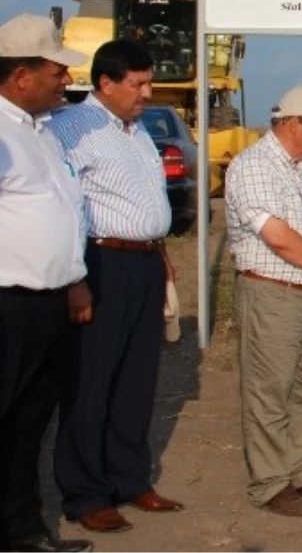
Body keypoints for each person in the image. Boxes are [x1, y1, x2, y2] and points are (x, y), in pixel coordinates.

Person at [49, 40, 186, 534]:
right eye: (138, 84)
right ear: (105, 83)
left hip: (144, 262)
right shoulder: (71, 129)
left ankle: (130, 479)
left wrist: (163, 256)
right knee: (91, 380)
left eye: (149, 82)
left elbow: (146, 201)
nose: (147, 93)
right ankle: (86, 493)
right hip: (100, 261)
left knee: (136, 377)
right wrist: (76, 279)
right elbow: (66, 207)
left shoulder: (137, 130)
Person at [225, 85, 302, 518]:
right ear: (295, 123)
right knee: (269, 391)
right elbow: (276, 235)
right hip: (272, 293)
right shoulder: (254, 166)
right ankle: (270, 482)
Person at [0, 13, 93, 553]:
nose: (65, 80)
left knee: (30, 422)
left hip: (49, 304)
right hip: (9, 304)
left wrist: (74, 281)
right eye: (56, 71)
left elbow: (62, 212)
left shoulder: (42, 134)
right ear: (21, 76)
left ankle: (24, 532)